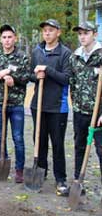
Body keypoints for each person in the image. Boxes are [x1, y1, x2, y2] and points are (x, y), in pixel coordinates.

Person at [30, 19, 71, 196]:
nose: (47, 33)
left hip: (57, 107)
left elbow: (67, 78)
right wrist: (36, 75)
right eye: (45, 31)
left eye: (51, 30)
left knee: (57, 144)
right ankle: (41, 172)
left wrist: (47, 70)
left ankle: (60, 178)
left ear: (58, 33)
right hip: (38, 105)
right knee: (39, 142)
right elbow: (31, 76)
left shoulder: (65, 53)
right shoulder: (37, 51)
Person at [0, 24, 30, 182]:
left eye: (10, 37)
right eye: (4, 37)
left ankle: (19, 170)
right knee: (0, 136)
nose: (7, 40)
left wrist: (13, 79)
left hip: (16, 103)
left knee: (18, 137)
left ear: (15, 38)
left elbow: (26, 77)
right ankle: (2, 162)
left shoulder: (22, 56)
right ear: (0, 39)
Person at [70, 21, 102, 192]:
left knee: (101, 150)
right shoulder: (75, 57)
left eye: (86, 33)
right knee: (79, 146)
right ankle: (78, 182)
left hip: (99, 114)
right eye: (80, 33)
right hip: (80, 111)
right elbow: (72, 84)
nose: (82, 36)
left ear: (94, 34)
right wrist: (75, 105)